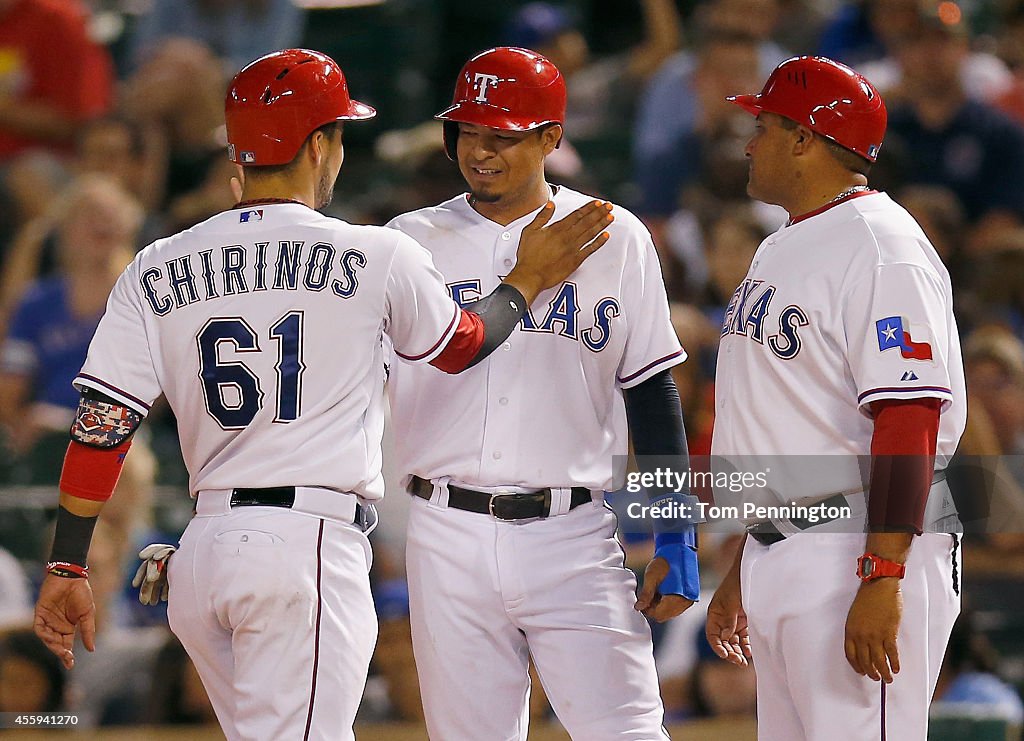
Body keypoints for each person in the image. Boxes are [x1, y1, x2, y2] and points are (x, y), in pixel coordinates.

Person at [31, 48, 611, 741]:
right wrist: (526, 280)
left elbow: (102, 423)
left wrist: (68, 558)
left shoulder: (157, 263)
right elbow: (463, 346)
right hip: (301, 550)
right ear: (318, 144)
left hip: (201, 556)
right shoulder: (375, 254)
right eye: (338, 133)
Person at [385, 46, 699, 740]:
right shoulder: (407, 243)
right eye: (470, 130)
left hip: (573, 532)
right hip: (446, 527)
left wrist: (675, 527)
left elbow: (652, 391)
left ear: (552, 137)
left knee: (630, 731)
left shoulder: (614, 236)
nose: (482, 150)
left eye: (504, 134)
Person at [704, 56, 966, 740]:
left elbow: (908, 417)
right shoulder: (785, 242)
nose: (749, 142)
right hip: (788, 546)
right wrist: (749, 554)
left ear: (804, 138)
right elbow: (791, 417)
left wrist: (883, 576)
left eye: (762, 125)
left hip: (854, 547)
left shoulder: (884, 249)